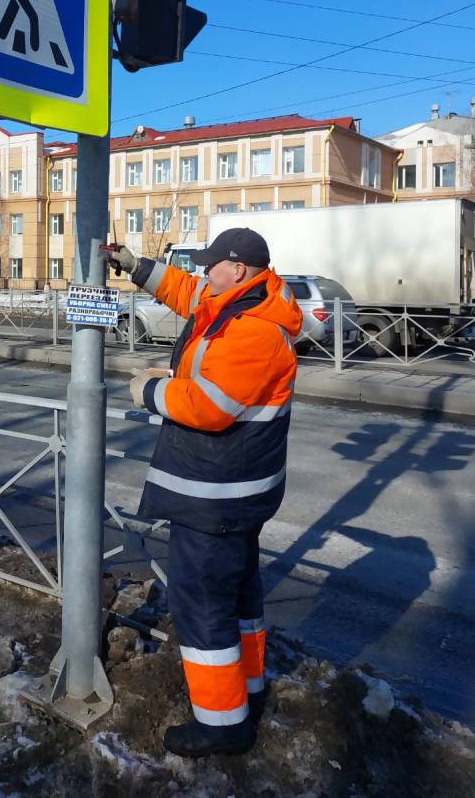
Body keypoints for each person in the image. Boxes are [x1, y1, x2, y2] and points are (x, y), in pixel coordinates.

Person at [107, 229, 302, 759]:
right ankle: (248, 689)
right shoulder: (237, 301)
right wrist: (135, 265)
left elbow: (209, 406)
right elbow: (185, 291)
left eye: (212, 264)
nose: (204, 273)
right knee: (238, 593)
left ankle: (221, 724)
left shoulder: (256, 330)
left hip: (216, 491)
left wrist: (148, 389)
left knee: (203, 602)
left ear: (237, 269)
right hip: (229, 491)